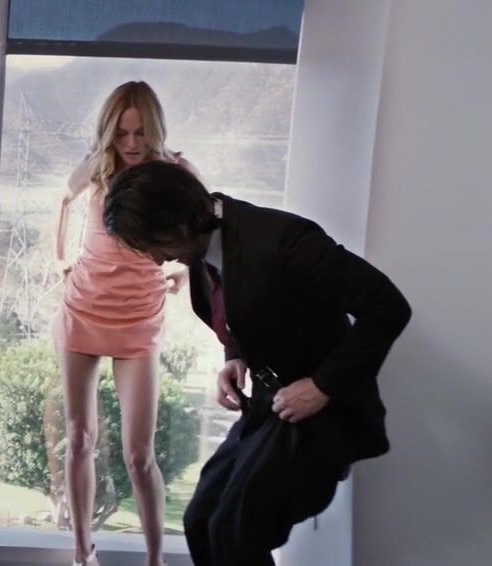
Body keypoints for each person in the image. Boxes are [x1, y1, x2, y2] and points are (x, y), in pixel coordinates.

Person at [101, 161, 411, 566]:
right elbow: (246, 309)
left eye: (156, 245)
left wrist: (323, 386)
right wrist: (235, 356)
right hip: (268, 406)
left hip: (323, 414)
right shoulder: (203, 251)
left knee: (235, 533)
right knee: (200, 522)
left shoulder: (283, 240)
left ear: (179, 221)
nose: (159, 261)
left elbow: (387, 306)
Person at [54, 81, 192, 566]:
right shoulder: (96, 166)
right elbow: (64, 200)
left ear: (154, 130)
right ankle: (82, 553)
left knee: (139, 456)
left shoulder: (175, 172)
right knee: (79, 439)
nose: (130, 143)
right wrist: (59, 259)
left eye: (139, 133)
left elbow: (205, 232)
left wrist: (183, 268)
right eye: (121, 133)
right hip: (83, 311)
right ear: (108, 132)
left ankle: (155, 561)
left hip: (139, 320)